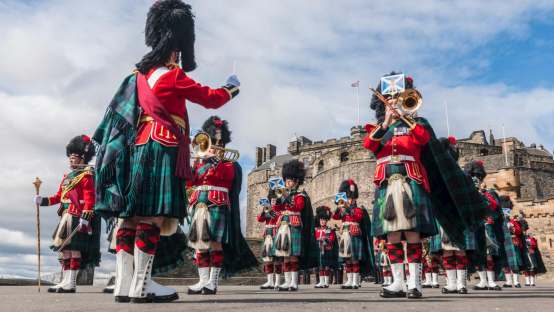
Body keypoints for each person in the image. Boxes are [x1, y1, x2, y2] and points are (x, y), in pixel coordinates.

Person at [93, 0, 240, 303]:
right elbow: (211, 99)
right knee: (153, 218)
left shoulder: (139, 76)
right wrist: (231, 88)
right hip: (163, 146)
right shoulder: (173, 75)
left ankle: (125, 285)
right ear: (177, 46)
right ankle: (142, 286)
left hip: (137, 148)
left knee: (130, 218)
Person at [363, 72, 486, 299]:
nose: (393, 100)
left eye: (398, 95)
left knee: (412, 235)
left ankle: (415, 283)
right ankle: (397, 282)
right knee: (391, 235)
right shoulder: (377, 127)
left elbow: (423, 140)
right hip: (387, 183)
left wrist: (406, 117)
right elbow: (370, 145)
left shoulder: (418, 124)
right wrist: (388, 121)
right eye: (389, 96)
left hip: (411, 180)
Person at [187, 116, 257, 295]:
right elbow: (191, 181)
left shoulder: (229, 164)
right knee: (200, 244)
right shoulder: (199, 161)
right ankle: (202, 280)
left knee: (216, 244)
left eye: (219, 142)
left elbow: (227, 178)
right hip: (200, 202)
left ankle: (213, 281)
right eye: (213, 142)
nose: (216, 145)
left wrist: (213, 162)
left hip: (218, 202)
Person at [36, 135, 100, 293]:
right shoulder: (66, 177)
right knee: (64, 250)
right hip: (65, 216)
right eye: (70, 158)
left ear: (82, 158)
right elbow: (58, 197)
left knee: (74, 249)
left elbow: (90, 198)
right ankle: (64, 281)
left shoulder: (86, 175)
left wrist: (86, 217)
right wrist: (42, 200)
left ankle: (71, 282)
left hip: (78, 215)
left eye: (74, 158)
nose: (71, 160)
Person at [273, 160, 314, 291]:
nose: (287, 183)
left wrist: (287, 197)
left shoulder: (300, 195)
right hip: (283, 224)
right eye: (286, 180)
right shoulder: (284, 194)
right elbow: (277, 209)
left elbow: (298, 207)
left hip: (294, 223)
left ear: (296, 182)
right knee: (285, 255)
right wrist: (276, 201)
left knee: (293, 255)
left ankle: (294, 282)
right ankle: (287, 281)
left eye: (290, 180)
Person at [332, 180, 373, 289]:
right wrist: (339, 207)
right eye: (348, 198)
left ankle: (355, 280)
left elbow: (357, 217)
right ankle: (349, 280)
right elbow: (335, 217)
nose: (350, 200)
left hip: (354, 233)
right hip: (345, 233)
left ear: (355, 199)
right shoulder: (343, 209)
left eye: (351, 198)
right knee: (347, 259)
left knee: (354, 259)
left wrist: (348, 209)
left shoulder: (359, 209)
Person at [256, 192, 281, 290]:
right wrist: (263, 211)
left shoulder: (279, 211)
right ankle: (270, 281)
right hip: (267, 234)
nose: (273, 201)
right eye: (272, 200)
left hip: (275, 233)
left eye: (275, 200)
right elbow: (260, 219)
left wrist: (270, 212)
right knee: (267, 259)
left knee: (277, 258)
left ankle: (277, 282)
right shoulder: (267, 210)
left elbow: (277, 217)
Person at [313, 206, 338, 288]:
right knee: (320, 266)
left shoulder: (329, 229)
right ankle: (321, 281)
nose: (322, 221)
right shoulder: (316, 229)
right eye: (321, 220)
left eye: (324, 220)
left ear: (326, 221)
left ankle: (326, 282)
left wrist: (324, 240)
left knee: (326, 266)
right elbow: (313, 239)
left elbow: (331, 239)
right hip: (318, 249)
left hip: (327, 249)